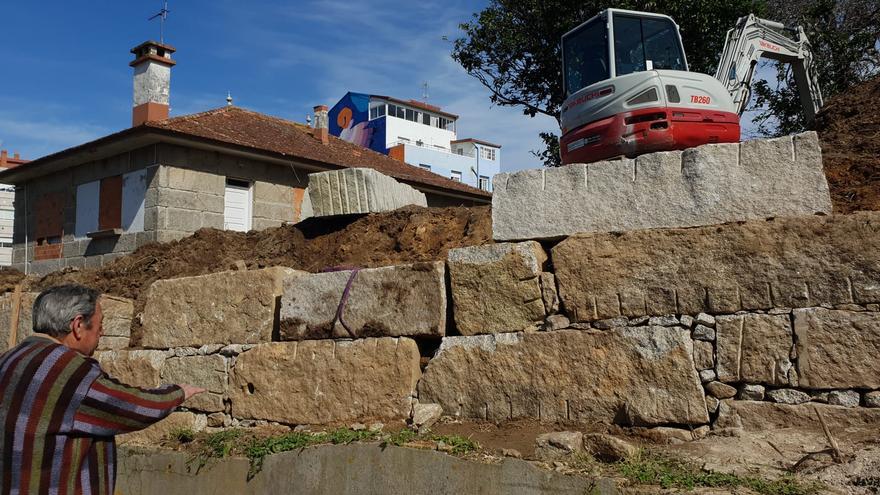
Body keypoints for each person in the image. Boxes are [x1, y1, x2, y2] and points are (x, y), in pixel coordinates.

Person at [0, 284, 205, 494]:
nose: (102, 332)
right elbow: (130, 407)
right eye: (100, 324)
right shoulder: (69, 370)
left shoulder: (8, 359)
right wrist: (177, 392)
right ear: (78, 325)